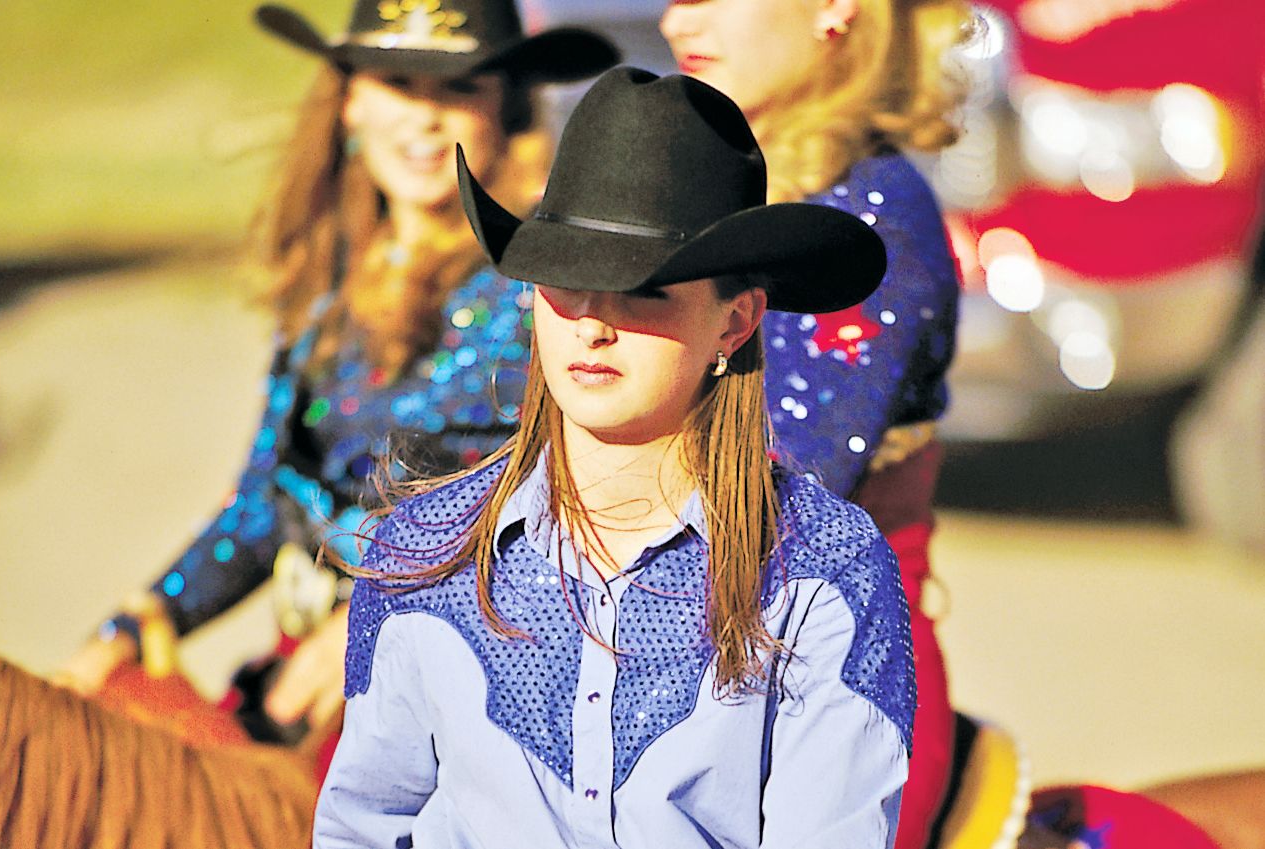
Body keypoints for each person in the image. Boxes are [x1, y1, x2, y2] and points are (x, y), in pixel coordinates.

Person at [315, 66, 912, 848]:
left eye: (643, 290)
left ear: (735, 323)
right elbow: (362, 826)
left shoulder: (823, 571)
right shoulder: (424, 553)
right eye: (565, 280)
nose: (592, 325)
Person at [54, 0, 616, 740]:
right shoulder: (329, 279)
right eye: (396, 83)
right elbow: (264, 501)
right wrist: (136, 621)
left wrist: (380, 619)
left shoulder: (546, 292)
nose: (422, 120)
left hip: (470, 697)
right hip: (309, 679)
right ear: (349, 100)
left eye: (457, 89)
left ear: (504, 111)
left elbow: (584, 517)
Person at [657, 1, 970, 846]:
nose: (677, 19)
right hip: (653, 645)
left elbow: (779, 486)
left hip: (827, 679)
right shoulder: (688, 191)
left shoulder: (876, 214)